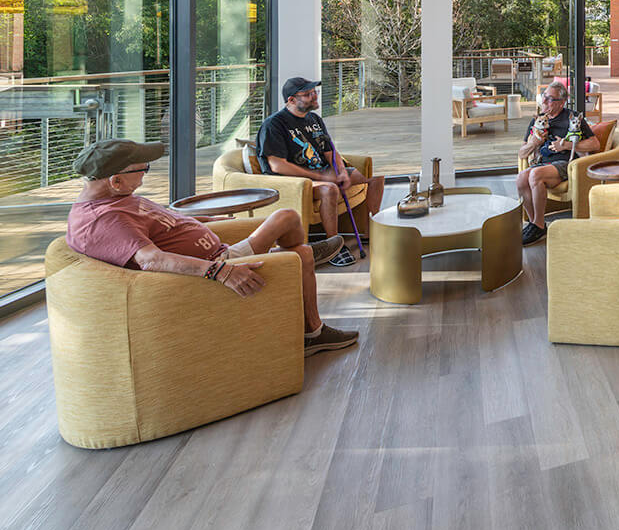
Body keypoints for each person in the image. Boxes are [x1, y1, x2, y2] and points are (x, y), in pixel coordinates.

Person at [64, 138, 358, 355]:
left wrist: (206, 219)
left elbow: (167, 219)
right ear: (116, 180)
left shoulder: (115, 197)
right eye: (144, 169)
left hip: (221, 251)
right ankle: (313, 333)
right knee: (300, 247)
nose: (145, 175)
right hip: (220, 265)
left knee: (289, 220)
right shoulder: (104, 221)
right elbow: (151, 260)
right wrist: (219, 272)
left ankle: (287, 260)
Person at [257, 76, 385, 250]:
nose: (314, 96)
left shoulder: (314, 120)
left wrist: (340, 171)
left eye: (314, 92)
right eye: (308, 94)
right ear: (291, 100)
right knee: (329, 188)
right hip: (293, 181)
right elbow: (277, 165)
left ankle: (373, 233)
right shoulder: (274, 124)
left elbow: (330, 152)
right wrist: (319, 176)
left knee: (375, 181)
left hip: (321, 172)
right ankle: (333, 244)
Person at [515, 80, 599, 245]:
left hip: (565, 164)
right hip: (542, 163)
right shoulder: (537, 121)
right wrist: (534, 143)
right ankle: (535, 224)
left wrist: (567, 145)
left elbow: (595, 144)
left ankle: (538, 225)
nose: (545, 102)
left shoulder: (572, 118)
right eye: (544, 97)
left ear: (562, 102)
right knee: (521, 179)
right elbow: (522, 153)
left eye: (550, 99)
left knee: (535, 175)